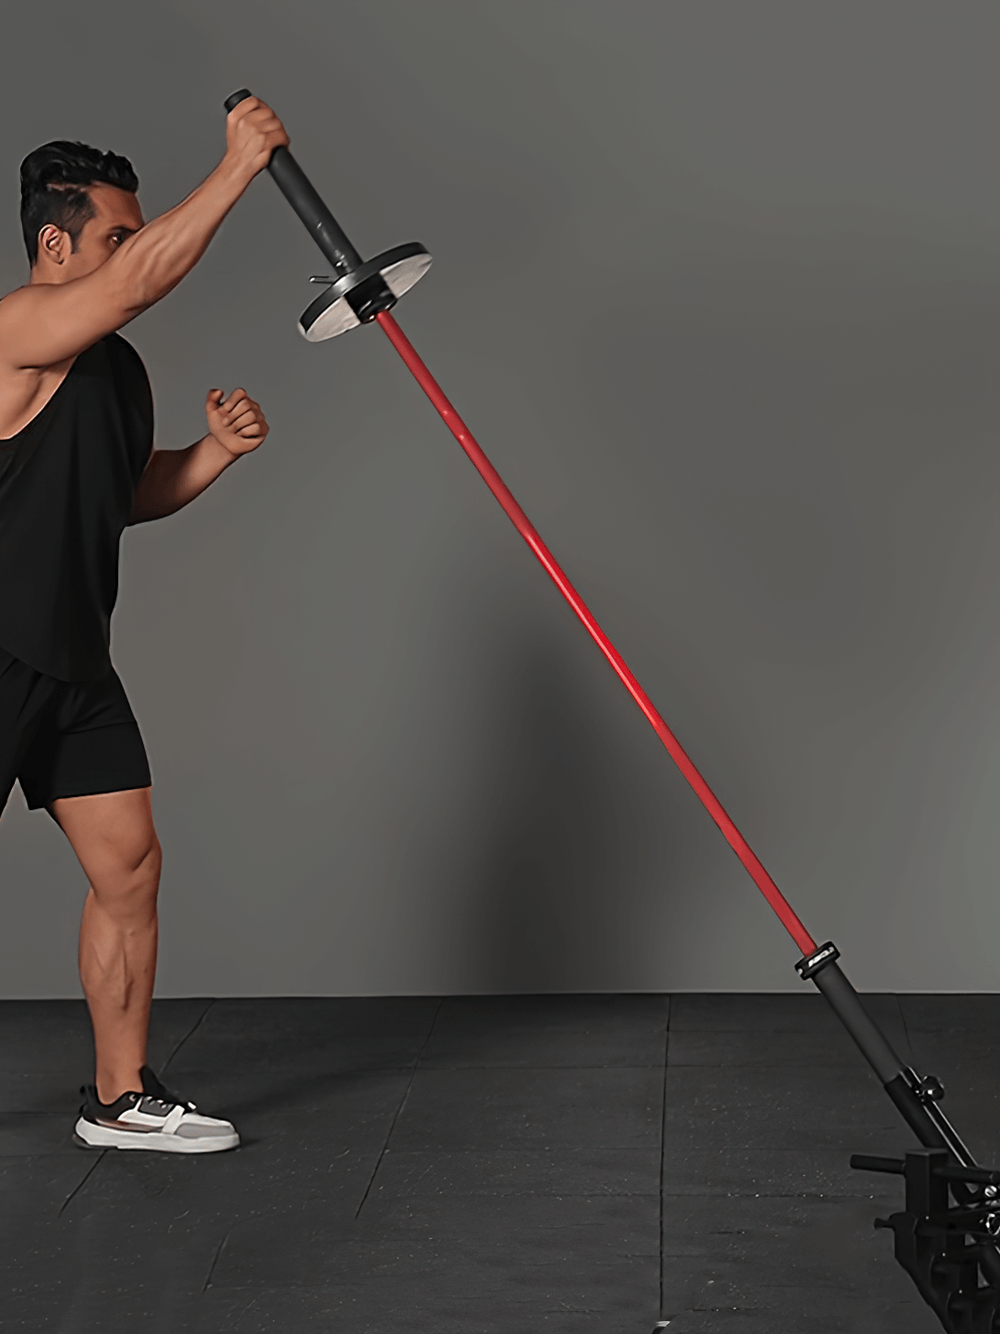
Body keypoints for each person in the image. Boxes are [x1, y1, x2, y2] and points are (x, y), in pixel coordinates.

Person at [0, 96, 289, 1153]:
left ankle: (120, 1098)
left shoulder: (114, 367)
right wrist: (237, 169)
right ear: (53, 243)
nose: (135, 251)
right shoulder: (15, 330)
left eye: (135, 233)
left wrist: (209, 455)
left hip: (74, 655)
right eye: (118, 234)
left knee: (129, 865)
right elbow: (139, 279)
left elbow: (117, 492)